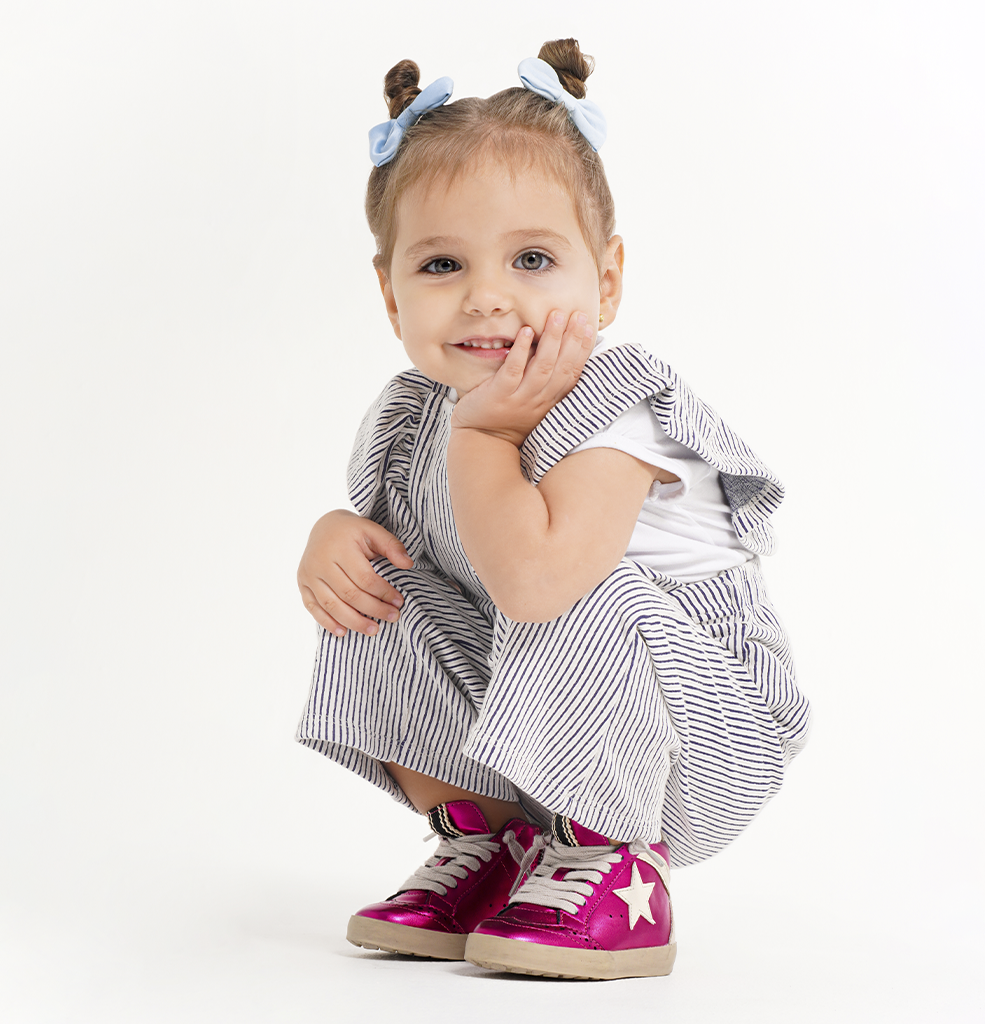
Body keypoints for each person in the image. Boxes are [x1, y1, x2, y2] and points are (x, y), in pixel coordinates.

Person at [295, 38, 810, 981]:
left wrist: (489, 437)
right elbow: (425, 553)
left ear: (605, 281)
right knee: (376, 580)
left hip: (704, 734)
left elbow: (536, 584)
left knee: (572, 581)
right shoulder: (414, 416)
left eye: (532, 258)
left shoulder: (618, 411)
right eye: (441, 265)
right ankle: (495, 843)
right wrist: (335, 538)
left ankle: (617, 863)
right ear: (390, 295)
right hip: (536, 730)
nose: (487, 298)